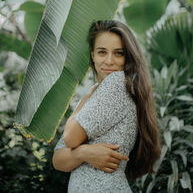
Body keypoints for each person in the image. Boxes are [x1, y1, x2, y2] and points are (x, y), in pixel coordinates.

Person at [53, 20, 161, 192]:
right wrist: (85, 153)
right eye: (102, 52)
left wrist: (77, 151)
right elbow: (58, 160)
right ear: (92, 55)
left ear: (128, 58)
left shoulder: (117, 83)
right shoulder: (95, 92)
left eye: (118, 53)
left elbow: (70, 138)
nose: (109, 61)